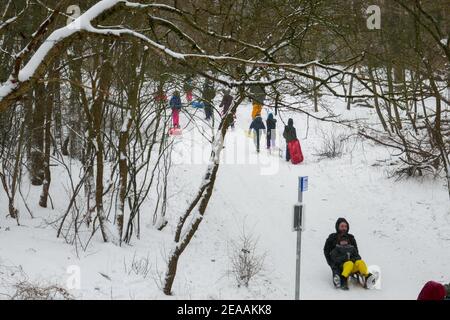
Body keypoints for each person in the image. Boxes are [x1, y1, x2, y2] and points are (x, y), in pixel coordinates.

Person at [324, 218, 359, 286]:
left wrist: (354, 259)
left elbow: (356, 251)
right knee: (336, 270)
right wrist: (330, 262)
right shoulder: (332, 237)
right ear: (338, 227)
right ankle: (337, 280)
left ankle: (361, 276)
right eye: (342, 226)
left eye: (345, 226)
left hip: (349, 261)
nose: (344, 228)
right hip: (336, 261)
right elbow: (326, 250)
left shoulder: (351, 237)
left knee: (355, 265)